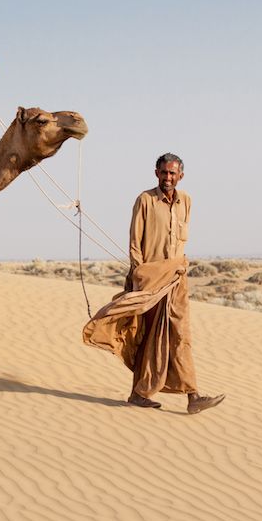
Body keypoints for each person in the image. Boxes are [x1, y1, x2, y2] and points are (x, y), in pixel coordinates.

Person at [82, 153, 225, 414]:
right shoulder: (145, 200)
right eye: (164, 173)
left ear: (181, 175)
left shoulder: (187, 202)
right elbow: (135, 243)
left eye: (173, 173)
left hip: (177, 279)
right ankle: (139, 393)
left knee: (180, 335)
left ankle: (193, 396)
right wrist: (139, 277)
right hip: (150, 279)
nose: (168, 178)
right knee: (149, 337)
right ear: (156, 173)